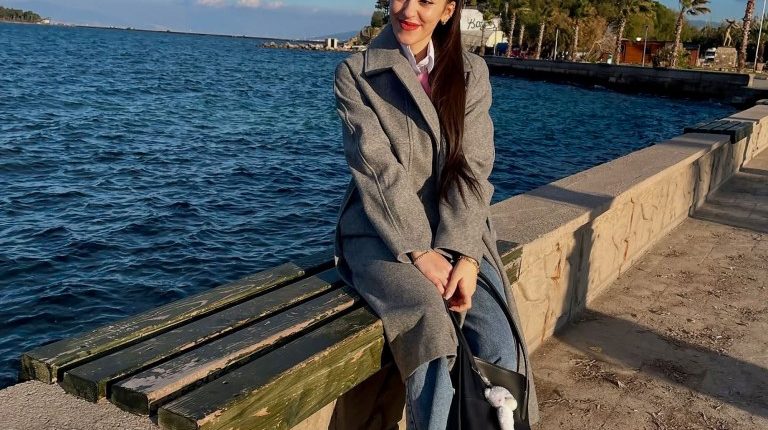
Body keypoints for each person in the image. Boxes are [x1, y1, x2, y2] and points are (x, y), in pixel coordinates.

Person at [332, 0, 538, 428]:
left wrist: (464, 254)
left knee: (499, 337)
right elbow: (377, 171)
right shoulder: (357, 74)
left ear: (447, 11)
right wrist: (419, 251)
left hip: (458, 231)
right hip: (382, 233)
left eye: (426, 1)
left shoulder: (470, 72)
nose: (408, 9)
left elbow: (473, 166)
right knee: (432, 330)